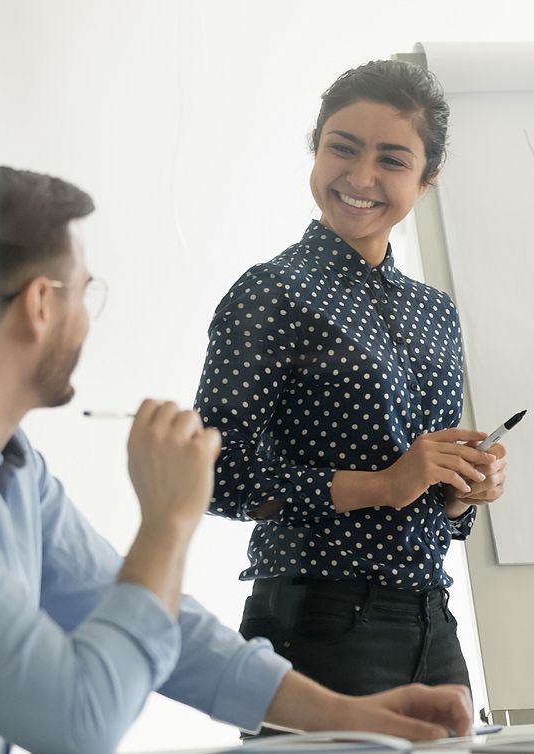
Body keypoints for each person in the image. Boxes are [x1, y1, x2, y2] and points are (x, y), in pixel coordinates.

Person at [0, 166, 474, 754]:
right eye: (86, 289)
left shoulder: (14, 469)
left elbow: (159, 623)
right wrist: (167, 523)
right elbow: (77, 722)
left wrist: (349, 714)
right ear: (41, 303)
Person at [194, 60, 508, 705]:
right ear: (316, 147)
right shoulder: (271, 292)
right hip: (316, 620)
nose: (360, 177)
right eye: (342, 148)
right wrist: (385, 484)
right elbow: (212, 475)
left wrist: (458, 491)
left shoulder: (434, 311)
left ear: (428, 180)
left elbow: (430, 504)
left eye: (392, 160)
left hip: (431, 620)